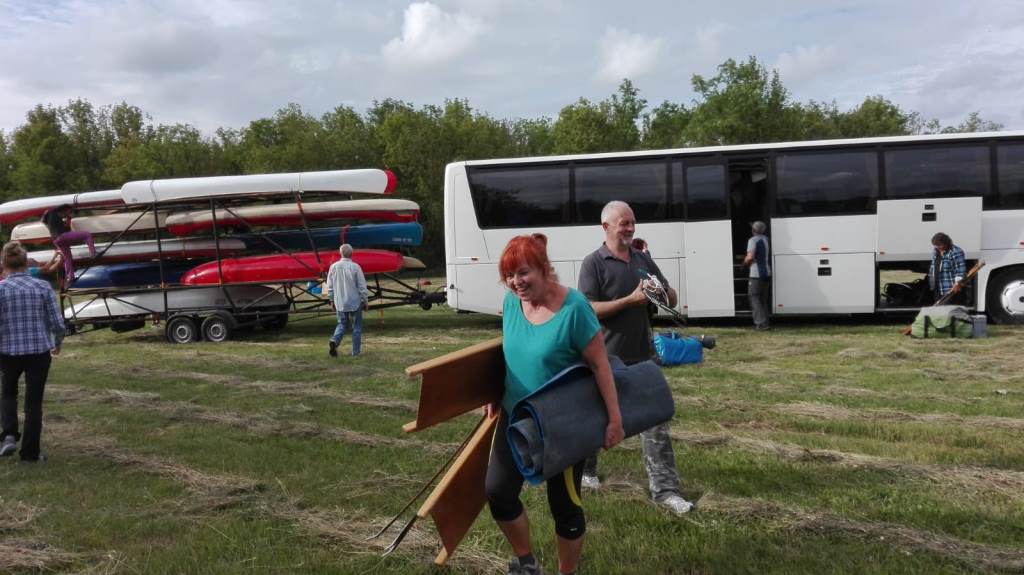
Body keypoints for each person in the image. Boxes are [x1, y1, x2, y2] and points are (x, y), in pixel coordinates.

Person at [486, 233, 624, 575]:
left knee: (564, 506)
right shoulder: (511, 303)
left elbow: (600, 365)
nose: (516, 282)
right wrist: (493, 392)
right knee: (498, 492)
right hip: (515, 415)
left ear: (543, 268)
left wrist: (614, 419)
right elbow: (510, 352)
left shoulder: (574, 308)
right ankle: (527, 562)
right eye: (509, 275)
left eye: (523, 272)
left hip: (561, 423)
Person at [577, 200, 694, 516]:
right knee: (595, 419)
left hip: (644, 359)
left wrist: (661, 292)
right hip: (605, 360)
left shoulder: (643, 259)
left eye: (632, 222)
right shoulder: (593, 263)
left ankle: (666, 492)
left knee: (656, 425)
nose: (630, 228)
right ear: (606, 227)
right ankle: (586, 472)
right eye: (623, 223)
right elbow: (587, 309)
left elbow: (672, 298)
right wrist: (629, 300)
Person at [0, 241, 66, 462]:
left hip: (8, 351)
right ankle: (30, 453)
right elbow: (57, 322)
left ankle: (9, 434)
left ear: (4, 264)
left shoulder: (1, 289)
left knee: (8, 393)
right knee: (33, 402)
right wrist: (57, 342)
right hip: (38, 351)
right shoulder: (42, 287)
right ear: (26, 263)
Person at [326, 244, 369, 357]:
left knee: (341, 324)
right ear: (352, 254)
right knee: (356, 327)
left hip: (340, 301)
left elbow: (329, 287)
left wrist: (331, 300)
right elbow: (362, 286)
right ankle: (355, 352)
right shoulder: (355, 267)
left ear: (340, 253)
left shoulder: (333, 267)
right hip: (355, 301)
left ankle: (335, 340)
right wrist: (365, 300)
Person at [41, 204, 96, 286]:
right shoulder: (52, 212)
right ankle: (93, 254)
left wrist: (69, 218)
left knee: (67, 258)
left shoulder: (53, 221)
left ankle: (71, 277)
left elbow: (67, 229)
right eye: (68, 212)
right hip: (62, 237)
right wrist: (71, 207)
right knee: (87, 234)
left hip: (57, 240)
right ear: (63, 210)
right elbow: (57, 208)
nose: (67, 214)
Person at [743, 221, 771, 331]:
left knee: (754, 298)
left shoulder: (753, 240)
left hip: (756, 274)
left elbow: (750, 257)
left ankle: (760, 324)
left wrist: (744, 263)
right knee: (762, 300)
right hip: (767, 272)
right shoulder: (766, 239)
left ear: (753, 230)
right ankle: (765, 323)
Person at [928, 232, 967, 304]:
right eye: (936, 245)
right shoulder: (936, 251)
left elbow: (960, 269)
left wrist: (957, 284)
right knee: (939, 308)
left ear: (946, 243)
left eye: (939, 245)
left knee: (949, 309)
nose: (937, 247)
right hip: (938, 287)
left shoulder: (955, 251)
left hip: (950, 288)